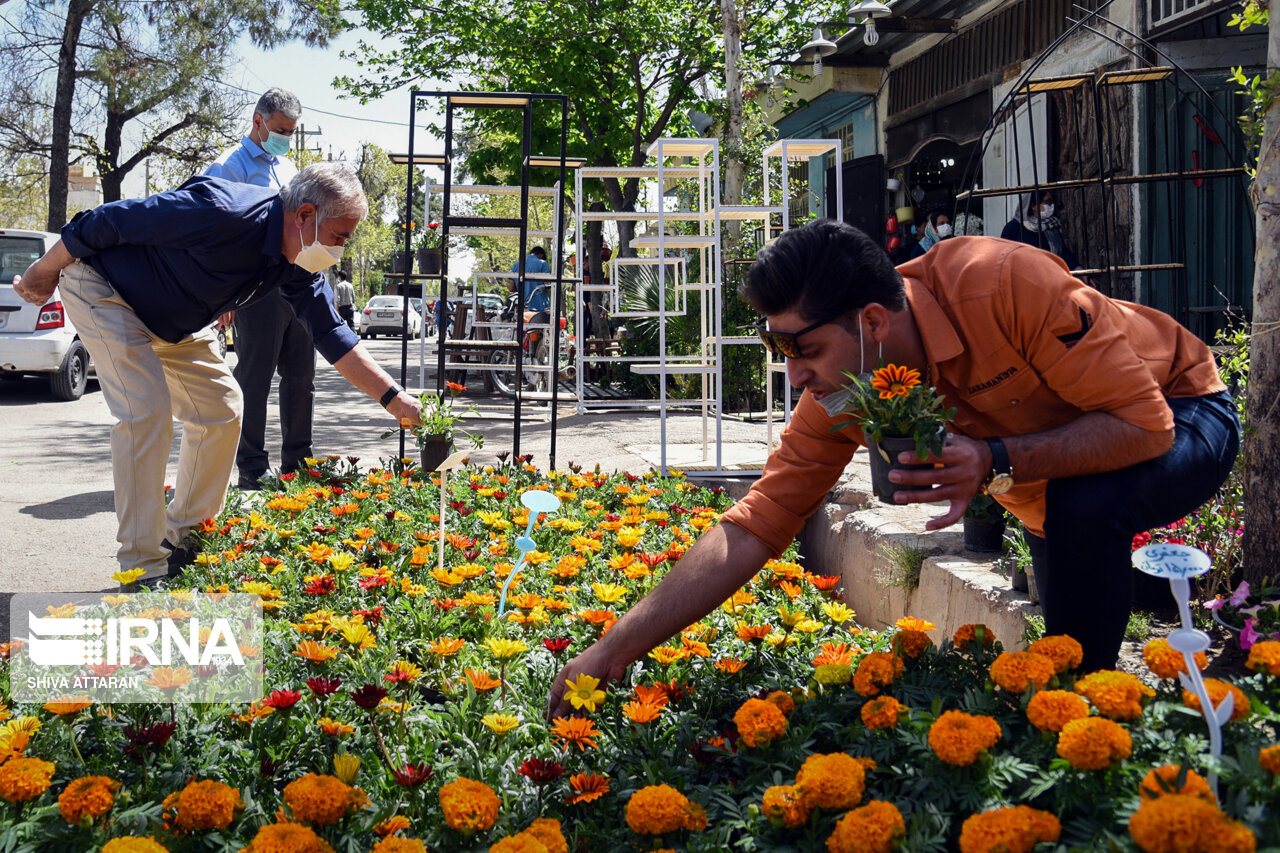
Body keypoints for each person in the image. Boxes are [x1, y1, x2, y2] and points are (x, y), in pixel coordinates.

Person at [547, 219, 1238, 715]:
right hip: (1054, 483)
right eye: (776, 347)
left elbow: (1143, 429)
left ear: (873, 321)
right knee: (1064, 653)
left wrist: (995, 459)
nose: (793, 375)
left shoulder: (1003, 281)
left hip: (1180, 408)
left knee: (1083, 530)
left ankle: (1104, 738)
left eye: (803, 347)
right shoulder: (844, 383)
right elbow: (756, 525)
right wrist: (613, 650)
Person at [12, 162, 423, 588]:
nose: (339, 250)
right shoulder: (223, 212)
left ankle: (184, 541)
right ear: (303, 215)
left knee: (222, 409)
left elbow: (332, 333)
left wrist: (396, 400)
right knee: (146, 412)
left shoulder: (299, 261)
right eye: (339, 236)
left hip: (176, 318)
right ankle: (142, 567)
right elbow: (107, 220)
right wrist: (45, 268)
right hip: (106, 290)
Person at [205, 87, 317, 490]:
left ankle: (298, 463)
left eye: (291, 131)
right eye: (282, 129)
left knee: (302, 377)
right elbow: (213, 235)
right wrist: (225, 295)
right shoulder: (226, 168)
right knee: (254, 377)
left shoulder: (287, 170)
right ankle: (251, 464)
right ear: (258, 122)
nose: (286, 137)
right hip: (255, 290)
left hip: (294, 285)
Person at [1001, 191, 1079, 270]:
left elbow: (1063, 252)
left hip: (1050, 274)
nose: (1051, 205)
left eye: (1051, 201)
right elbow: (1004, 255)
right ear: (1034, 206)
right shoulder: (1014, 227)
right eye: (1047, 201)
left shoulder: (1052, 225)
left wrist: (1077, 267)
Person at [510, 246, 551, 313]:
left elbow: (511, 288)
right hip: (540, 304)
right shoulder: (543, 263)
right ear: (541, 255)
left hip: (521, 304)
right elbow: (547, 285)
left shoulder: (516, 265)